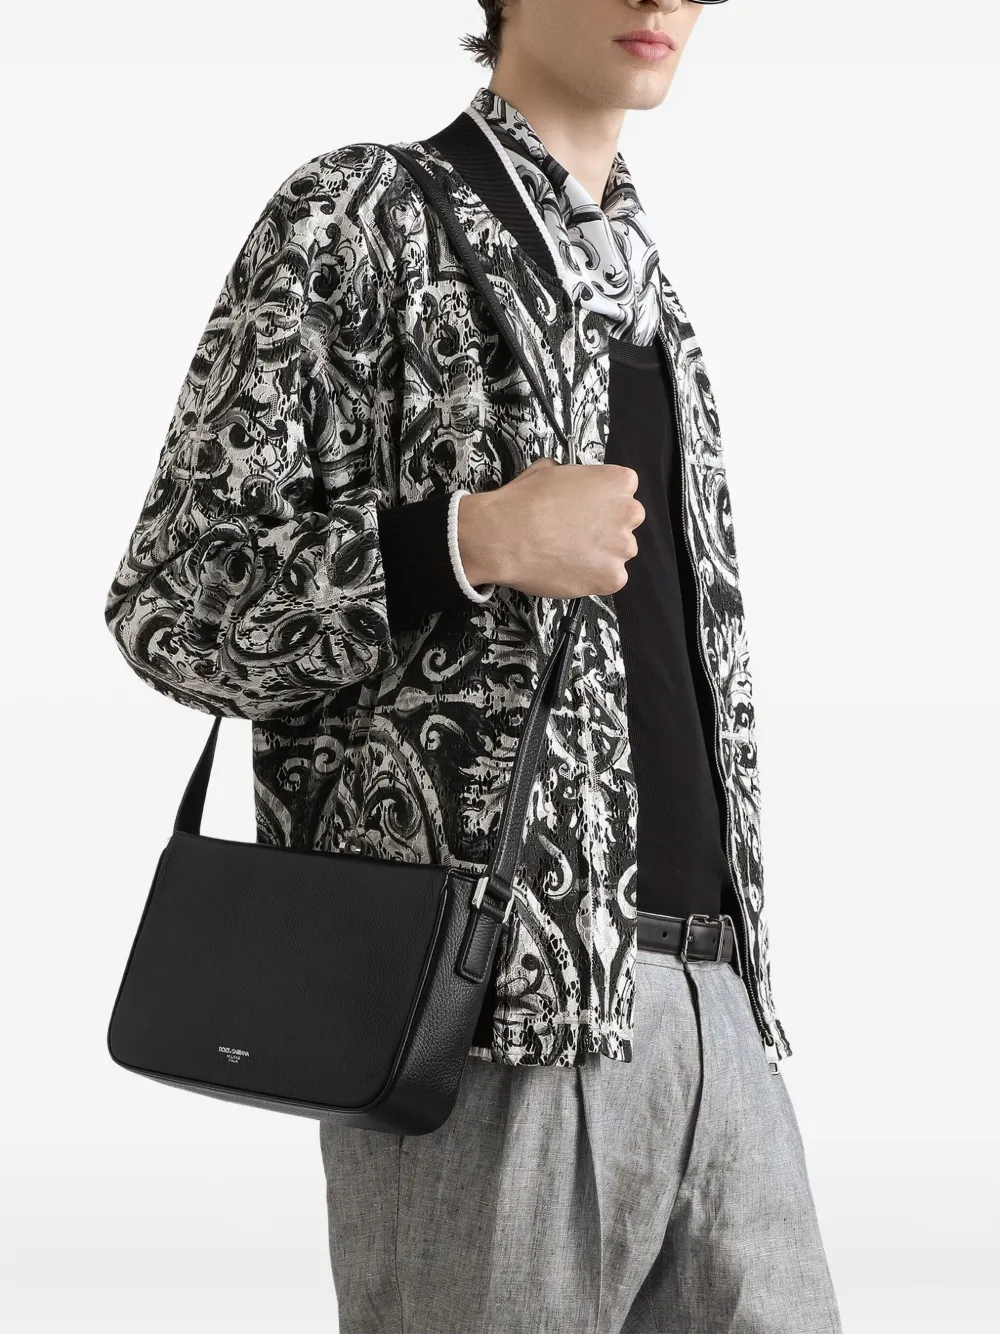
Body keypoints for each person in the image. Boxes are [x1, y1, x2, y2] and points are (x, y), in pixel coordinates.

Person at [105, 1, 843, 1329]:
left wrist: (724, 992)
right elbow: (173, 598)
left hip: (714, 1009)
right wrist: (466, 541)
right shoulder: (363, 216)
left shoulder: (649, 297)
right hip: (483, 1016)